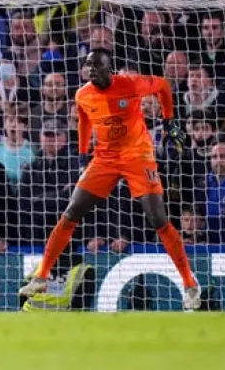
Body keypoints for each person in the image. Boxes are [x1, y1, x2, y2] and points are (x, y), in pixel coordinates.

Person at [18, 50, 201, 310]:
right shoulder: (82, 94)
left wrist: (169, 120)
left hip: (138, 154)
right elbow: (83, 121)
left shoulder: (130, 83)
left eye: (97, 65)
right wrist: (83, 157)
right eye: (87, 65)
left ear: (109, 68)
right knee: (71, 212)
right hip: (105, 158)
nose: (91, 69)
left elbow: (163, 85)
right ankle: (41, 277)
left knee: (157, 218)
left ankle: (189, 284)